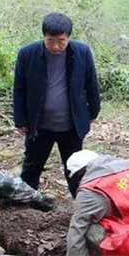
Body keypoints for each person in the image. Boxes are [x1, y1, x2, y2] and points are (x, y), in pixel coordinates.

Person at [13, 13, 101, 197]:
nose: (55, 46)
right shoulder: (27, 54)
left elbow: (91, 83)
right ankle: (26, 199)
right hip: (38, 125)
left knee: (75, 166)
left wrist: (93, 112)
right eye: (50, 40)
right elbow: (19, 88)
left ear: (69, 37)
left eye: (61, 41)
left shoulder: (82, 52)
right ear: (43, 36)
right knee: (32, 165)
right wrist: (20, 119)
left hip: (71, 125)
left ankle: (81, 201)